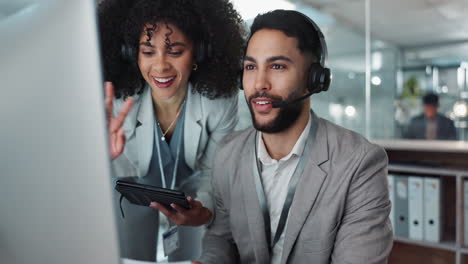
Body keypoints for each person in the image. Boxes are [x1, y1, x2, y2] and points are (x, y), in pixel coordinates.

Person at [196, 10, 392, 264]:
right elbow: (221, 238)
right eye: (251, 67)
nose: (259, 84)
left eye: (277, 66)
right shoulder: (228, 153)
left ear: (315, 79)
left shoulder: (359, 163)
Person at [98, 0, 245, 261]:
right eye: (148, 51)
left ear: (199, 53)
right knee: (130, 257)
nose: (161, 66)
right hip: (131, 191)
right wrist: (98, 152)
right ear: (132, 53)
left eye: (175, 51)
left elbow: (214, 172)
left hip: (192, 193)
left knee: (196, 256)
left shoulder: (219, 102)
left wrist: (206, 209)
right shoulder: (116, 101)